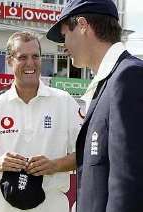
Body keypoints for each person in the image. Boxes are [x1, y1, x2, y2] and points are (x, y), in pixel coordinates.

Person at [46, 0, 143, 212]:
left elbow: (128, 182)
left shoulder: (128, 77)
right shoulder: (108, 82)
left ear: (82, 26)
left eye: (65, 36)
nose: (64, 46)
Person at [0, 31, 82, 212]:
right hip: (3, 204)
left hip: (52, 204)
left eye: (35, 56)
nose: (30, 63)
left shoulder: (64, 101)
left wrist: (55, 165)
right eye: (22, 57)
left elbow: (84, 154)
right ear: (10, 61)